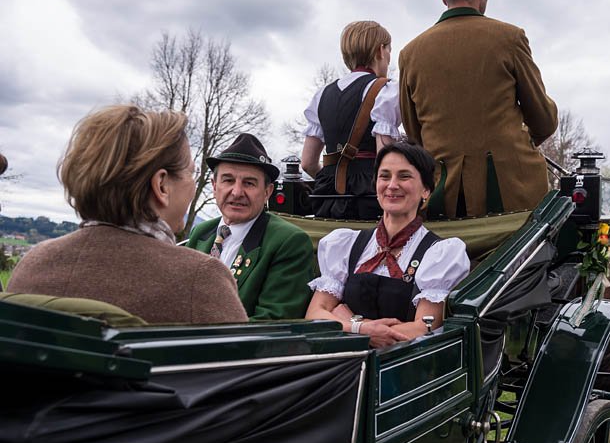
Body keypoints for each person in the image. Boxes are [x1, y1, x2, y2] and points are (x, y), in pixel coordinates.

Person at [7, 105, 248, 324]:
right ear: (162, 186)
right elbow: (249, 368)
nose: (194, 185)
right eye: (190, 174)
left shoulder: (32, 265)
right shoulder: (201, 279)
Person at [399, 0, 558, 218]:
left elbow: (413, 132)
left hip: (442, 196)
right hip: (513, 195)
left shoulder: (409, 54)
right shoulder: (510, 38)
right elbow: (544, 120)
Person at [306, 142, 470, 348]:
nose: (392, 185)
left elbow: (423, 329)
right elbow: (314, 315)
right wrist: (361, 329)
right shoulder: (347, 245)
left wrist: (346, 321)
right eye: (385, 176)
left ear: (426, 190)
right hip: (344, 364)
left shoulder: (438, 253)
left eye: (404, 176)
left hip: (401, 367)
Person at [185, 133, 314, 320]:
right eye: (228, 180)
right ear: (214, 186)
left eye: (249, 183)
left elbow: (273, 323)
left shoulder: (289, 242)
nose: (237, 192)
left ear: (267, 192)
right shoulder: (201, 233)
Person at [300, 20, 401, 220]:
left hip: (327, 196)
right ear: (380, 51)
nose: (389, 58)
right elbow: (385, 160)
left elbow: (308, 163)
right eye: (389, 50)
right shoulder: (385, 91)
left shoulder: (322, 94)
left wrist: (332, 179)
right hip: (369, 196)